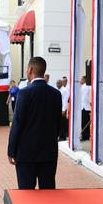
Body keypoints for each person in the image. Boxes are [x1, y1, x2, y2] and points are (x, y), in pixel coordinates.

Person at [7, 57, 62, 189]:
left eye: (27, 68)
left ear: (30, 70)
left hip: (26, 153)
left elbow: (17, 123)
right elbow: (58, 123)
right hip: (49, 152)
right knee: (48, 193)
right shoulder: (56, 94)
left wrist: (11, 151)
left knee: (27, 194)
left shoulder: (24, 93)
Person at [78, 76, 92, 141]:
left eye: (81, 79)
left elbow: (89, 97)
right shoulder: (82, 87)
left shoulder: (88, 87)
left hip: (86, 107)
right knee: (83, 122)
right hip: (83, 106)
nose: (80, 81)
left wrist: (90, 103)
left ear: (84, 80)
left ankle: (85, 136)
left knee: (85, 122)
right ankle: (85, 135)